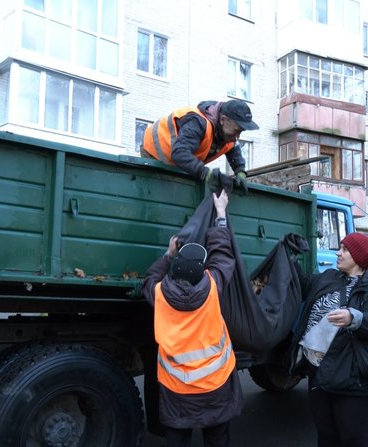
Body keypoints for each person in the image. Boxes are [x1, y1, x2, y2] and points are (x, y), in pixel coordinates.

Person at [142, 190, 243, 447]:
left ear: (173, 272)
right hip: (216, 384)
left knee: (178, 438)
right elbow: (223, 255)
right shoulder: (211, 286)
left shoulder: (159, 294)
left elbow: (150, 277)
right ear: (203, 272)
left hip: (177, 389)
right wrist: (220, 214)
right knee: (217, 439)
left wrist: (168, 254)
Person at [287, 232, 368, 447]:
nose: (338, 252)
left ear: (358, 256)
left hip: (353, 376)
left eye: (345, 249)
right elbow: (302, 285)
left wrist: (354, 318)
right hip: (319, 371)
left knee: (354, 439)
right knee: (327, 437)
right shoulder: (329, 277)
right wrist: (291, 257)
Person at [141, 99, 258, 194]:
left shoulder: (227, 134)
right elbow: (180, 153)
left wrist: (240, 171)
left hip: (176, 161)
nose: (237, 136)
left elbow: (234, 150)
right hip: (153, 155)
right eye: (236, 130)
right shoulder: (197, 123)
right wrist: (205, 173)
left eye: (241, 132)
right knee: (158, 194)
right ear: (223, 120)